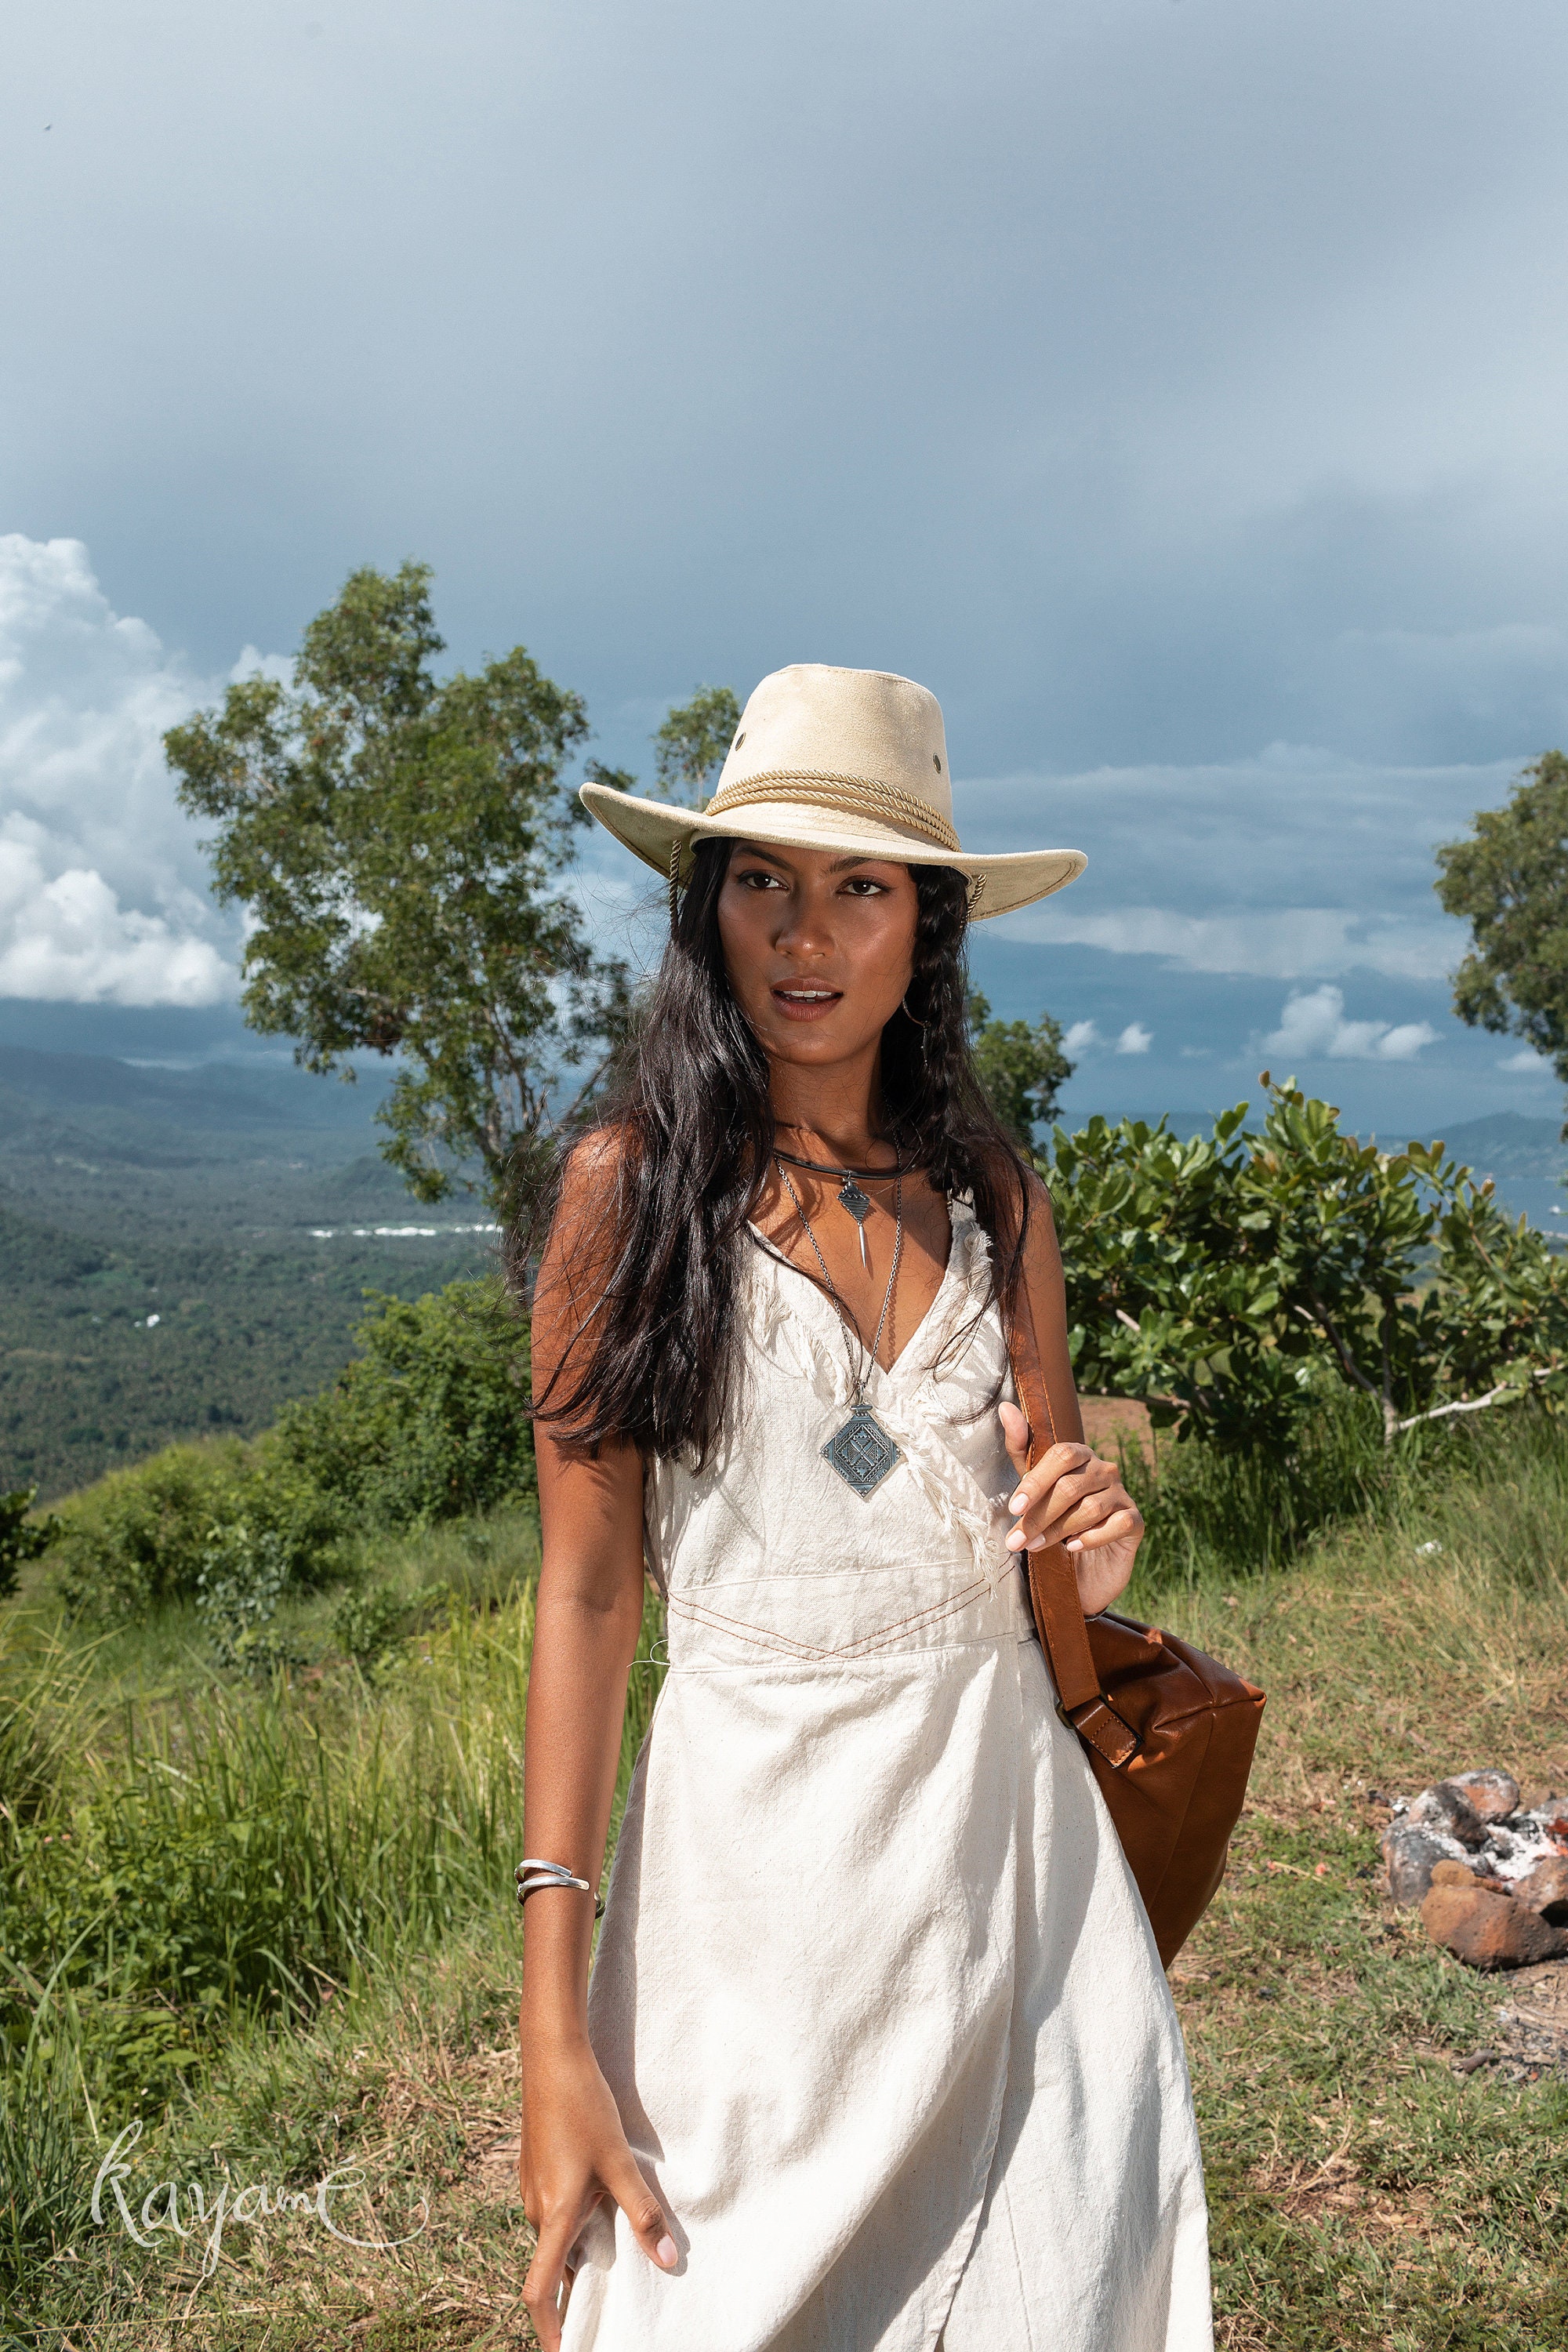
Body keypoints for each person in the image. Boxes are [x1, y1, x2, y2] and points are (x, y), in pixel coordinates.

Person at [514, 665, 1212, 2352]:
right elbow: (590, 1598)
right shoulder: (632, 1194)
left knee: (1054, 2292)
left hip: (1010, 1869)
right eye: (762, 879)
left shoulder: (995, 1194)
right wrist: (553, 2028)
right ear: (709, 908)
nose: (803, 936)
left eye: (859, 887)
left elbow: (1053, 1530)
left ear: (928, 927)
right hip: (747, 1887)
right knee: (710, 2304)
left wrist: (1095, 1536)